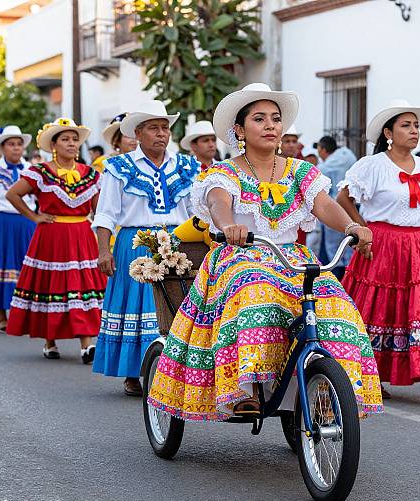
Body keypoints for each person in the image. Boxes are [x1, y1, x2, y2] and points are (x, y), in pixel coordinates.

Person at [148, 83, 383, 420]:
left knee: (337, 304)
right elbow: (217, 200)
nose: (271, 125)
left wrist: (351, 227)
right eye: (260, 119)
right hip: (240, 257)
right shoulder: (224, 172)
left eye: (275, 118)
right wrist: (228, 225)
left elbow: (323, 204)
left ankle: (330, 390)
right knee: (256, 292)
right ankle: (247, 388)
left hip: (292, 258)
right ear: (240, 130)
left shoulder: (301, 171)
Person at [337, 99, 420, 405]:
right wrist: (360, 229)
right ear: (389, 132)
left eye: (416, 126)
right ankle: (373, 375)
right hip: (381, 244)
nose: (414, 131)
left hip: (417, 245)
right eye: (406, 125)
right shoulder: (371, 166)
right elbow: (342, 197)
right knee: (379, 308)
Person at [92, 100, 200, 396]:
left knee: (177, 305)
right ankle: (134, 371)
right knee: (139, 304)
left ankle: (176, 371)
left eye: (165, 127)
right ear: (137, 133)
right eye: (153, 128)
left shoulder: (187, 166)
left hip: (179, 241)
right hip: (135, 243)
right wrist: (104, 250)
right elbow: (105, 213)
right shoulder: (118, 167)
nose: (161, 133)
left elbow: (198, 211)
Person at [5, 118, 107, 362]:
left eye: (75, 139)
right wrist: (35, 216)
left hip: (82, 235)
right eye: (65, 139)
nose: (72, 144)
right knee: (51, 285)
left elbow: (98, 208)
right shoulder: (41, 172)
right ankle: (49, 340)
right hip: (51, 235)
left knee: (81, 287)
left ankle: (86, 344)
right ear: (54, 145)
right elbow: (13, 194)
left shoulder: (91, 174)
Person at [0, 126, 36, 332]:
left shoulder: (30, 169)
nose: (16, 148)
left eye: (19, 144)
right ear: (2, 148)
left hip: (26, 223)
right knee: (0, 268)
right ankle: (1, 315)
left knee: (26, 269)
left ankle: (24, 315)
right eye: (11, 144)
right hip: (0, 224)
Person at [316, 135, 357, 279]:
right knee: (348, 247)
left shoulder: (323, 168)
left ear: (323, 149)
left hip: (331, 211)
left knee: (331, 253)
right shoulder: (349, 156)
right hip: (351, 210)